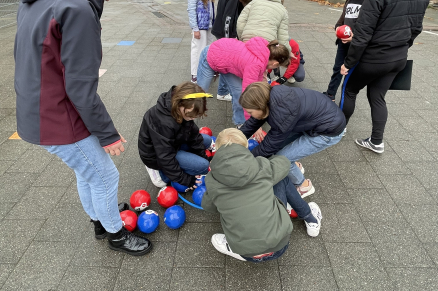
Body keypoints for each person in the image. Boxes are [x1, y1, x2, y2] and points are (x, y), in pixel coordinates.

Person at [14, 0, 151, 256]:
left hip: (39, 107)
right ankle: (115, 234)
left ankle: (99, 219)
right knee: (105, 174)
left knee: (87, 170)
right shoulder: (76, 8)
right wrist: (108, 134)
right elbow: (80, 87)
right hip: (57, 114)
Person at [340, 0, 430, 153]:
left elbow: (363, 34)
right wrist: (402, 47)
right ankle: (376, 141)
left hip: (373, 59)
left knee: (349, 89)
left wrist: (348, 62)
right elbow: (416, 28)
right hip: (398, 59)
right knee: (377, 96)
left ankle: (336, 129)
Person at [202, 128, 322, 262]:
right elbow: (284, 163)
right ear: (245, 147)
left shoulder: (212, 179)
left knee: (229, 209)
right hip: (280, 245)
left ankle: (233, 247)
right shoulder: (261, 166)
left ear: (217, 150)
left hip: (245, 252)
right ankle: (310, 219)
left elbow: (208, 206)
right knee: (281, 178)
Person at [239, 82, 346, 197]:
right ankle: (297, 166)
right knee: (279, 149)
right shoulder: (270, 97)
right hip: (315, 119)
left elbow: (269, 146)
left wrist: (247, 160)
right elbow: (255, 121)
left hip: (327, 131)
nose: (250, 115)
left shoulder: (282, 113)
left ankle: (304, 186)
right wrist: (236, 137)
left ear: (259, 105)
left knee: (283, 158)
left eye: (250, 112)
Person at [196, 37, 290, 128]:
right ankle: (185, 111)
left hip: (226, 59)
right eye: (277, 67)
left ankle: (237, 118)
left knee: (237, 92)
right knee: (200, 93)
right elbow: (247, 95)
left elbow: (257, 84)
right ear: (275, 64)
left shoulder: (263, 52)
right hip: (211, 55)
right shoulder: (255, 65)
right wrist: (251, 122)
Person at [138, 82, 213, 189]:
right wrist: (186, 180)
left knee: (205, 140)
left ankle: (184, 161)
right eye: (190, 115)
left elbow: (194, 136)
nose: (193, 119)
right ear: (180, 104)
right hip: (155, 156)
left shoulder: (180, 109)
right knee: (203, 166)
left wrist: (203, 156)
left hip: (172, 144)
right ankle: (160, 175)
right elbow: (165, 157)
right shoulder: (164, 122)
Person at [185, 0, 231, 104]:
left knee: (209, 49)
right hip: (200, 24)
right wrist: (195, 28)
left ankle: (207, 72)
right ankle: (195, 76)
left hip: (209, 22)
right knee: (198, 49)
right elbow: (191, 8)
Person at [323, 0, 372, 101]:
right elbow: (343, 17)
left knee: (349, 72)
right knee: (337, 68)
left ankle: (346, 99)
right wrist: (338, 27)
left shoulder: (370, 2)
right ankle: (330, 94)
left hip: (357, 44)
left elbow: (368, 27)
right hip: (343, 42)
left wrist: (354, 38)